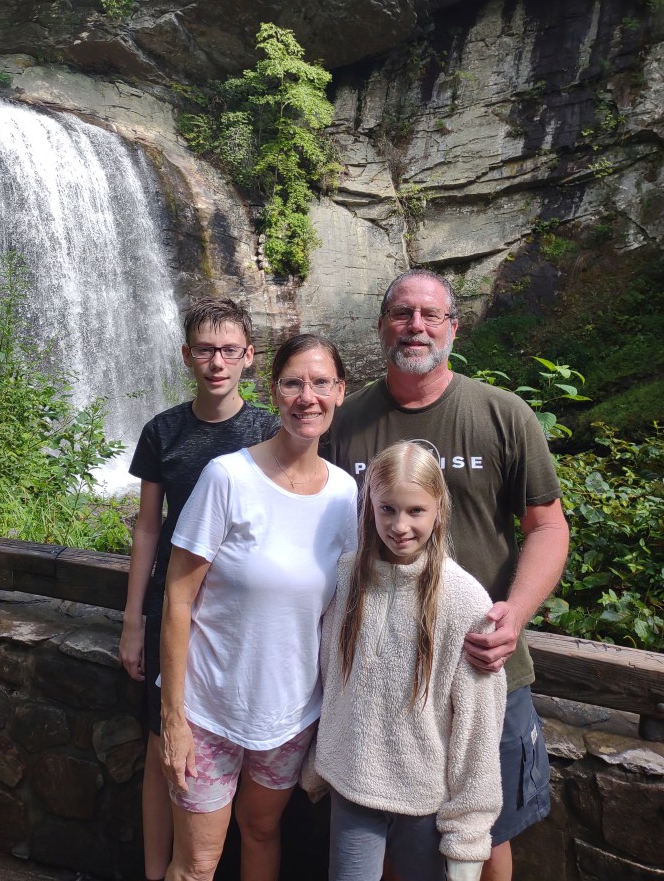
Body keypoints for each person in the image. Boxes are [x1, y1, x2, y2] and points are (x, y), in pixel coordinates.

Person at [324, 269, 569, 881]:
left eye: (431, 314)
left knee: (486, 833)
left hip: (485, 661)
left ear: (453, 327)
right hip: (382, 682)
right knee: (383, 825)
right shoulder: (344, 423)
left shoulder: (502, 415)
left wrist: (513, 616)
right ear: (381, 326)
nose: (416, 326)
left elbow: (547, 527)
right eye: (402, 313)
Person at [159, 334, 358, 881]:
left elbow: (346, 606)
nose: (307, 397)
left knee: (263, 830)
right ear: (274, 391)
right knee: (196, 865)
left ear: (340, 392)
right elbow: (178, 597)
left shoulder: (345, 496)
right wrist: (173, 718)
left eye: (321, 383)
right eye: (293, 383)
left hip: (289, 715)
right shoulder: (227, 477)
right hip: (208, 710)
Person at [120, 297, 278, 881]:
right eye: (206, 350)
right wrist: (132, 620)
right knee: (161, 746)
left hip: (241, 615)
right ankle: (155, 871)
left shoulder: (268, 429)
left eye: (229, 351)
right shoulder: (162, 431)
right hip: (172, 607)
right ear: (187, 355)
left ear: (249, 356)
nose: (217, 362)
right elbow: (147, 528)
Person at [305, 440, 507, 881]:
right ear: (369, 507)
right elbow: (328, 677)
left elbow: (477, 725)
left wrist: (468, 834)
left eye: (416, 511)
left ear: (439, 509)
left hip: (425, 798)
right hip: (352, 782)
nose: (400, 526)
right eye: (387, 509)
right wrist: (321, 757)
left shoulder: (464, 600)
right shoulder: (343, 577)